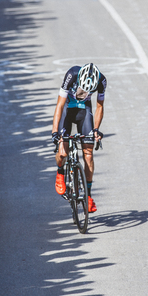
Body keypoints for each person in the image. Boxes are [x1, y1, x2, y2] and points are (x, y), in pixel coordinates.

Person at [51, 64, 106, 213]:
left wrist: (96, 130)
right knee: (62, 152)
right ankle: (60, 172)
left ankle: (88, 195)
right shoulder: (72, 74)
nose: (85, 92)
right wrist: (55, 132)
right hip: (68, 109)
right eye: (83, 88)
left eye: (89, 90)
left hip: (84, 111)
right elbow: (60, 105)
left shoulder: (101, 80)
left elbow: (99, 107)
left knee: (88, 155)